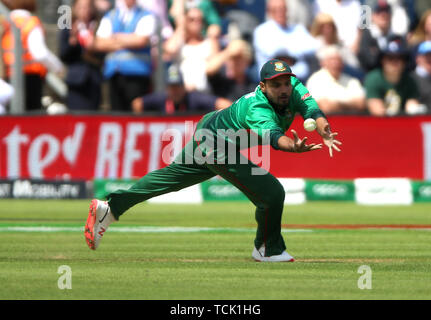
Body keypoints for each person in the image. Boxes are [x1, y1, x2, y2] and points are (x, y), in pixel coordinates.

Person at [84, 58, 342, 262]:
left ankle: (111, 207)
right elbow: (274, 137)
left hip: (209, 126)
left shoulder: (293, 87)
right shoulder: (258, 108)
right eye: (276, 85)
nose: (284, 89)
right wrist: (293, 147)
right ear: (263, 87)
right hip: (217, 144)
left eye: (286, 82)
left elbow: (312, 109)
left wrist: (324, 129)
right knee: (272, 193)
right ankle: (268, 249)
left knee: (171, 178)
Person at [1, 0, 64, 111]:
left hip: (9, 76)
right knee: (30, 120)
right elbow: (40, 53)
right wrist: (58, 67)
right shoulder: (30, 22)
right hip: (30, 79)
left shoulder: (6, 22)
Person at [93, 0, 156, 111]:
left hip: (137, 76)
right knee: (117, 114)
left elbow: (140, 40)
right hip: (114, 75)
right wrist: (128, 40)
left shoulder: (146, 15)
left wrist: (114, 37)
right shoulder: (111, 15)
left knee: (136, 114)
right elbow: (99, 43)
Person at [253, 0, 318, 82]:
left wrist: (288, 49)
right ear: (269, 11)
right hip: (272, 81)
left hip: (299, 79)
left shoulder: (298, 29)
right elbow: (272, 52)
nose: (280, 12)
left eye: (282, 9)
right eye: (275, 9)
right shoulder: (262, 31)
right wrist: (296, 47)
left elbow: (314, 47)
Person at [131, 64, 232, 114]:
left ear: (184, 87)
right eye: (172, 87)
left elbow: (225, 105)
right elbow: (137, 103)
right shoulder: (161, 98)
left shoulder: (193, 98)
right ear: (167, 88)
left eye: (178, 86)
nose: (175, 91)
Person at [59, 0, 104, 111]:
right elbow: (63, 54)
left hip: (94, 79)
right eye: (81, 7)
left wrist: (94, 47)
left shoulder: (99, 26)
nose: (85, 11)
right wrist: (73, 43)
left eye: (88, 7)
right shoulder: (68, 27)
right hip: (76, 80)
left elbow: (103, 53)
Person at [163, 6, 220, 92]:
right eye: (191, 19)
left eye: (199, 20)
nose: (196, 23)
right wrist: (181, 26)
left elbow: (213, 68)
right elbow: (169, 49)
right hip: (181, 93)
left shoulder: (209, 42)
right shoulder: (179, 42)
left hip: (203, 93)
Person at [364, 36, 420, 116]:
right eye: (390, 58)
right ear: (382, 60)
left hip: (403, 124)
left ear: (404, 62)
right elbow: (376, 109)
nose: (395, 62)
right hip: (377, 125)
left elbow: (412, 106)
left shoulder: (410, 81)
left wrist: (412, 109)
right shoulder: (373, 78)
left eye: (399, 58)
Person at [306, 45, 366, 114]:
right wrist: (350, 104)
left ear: (343, 63)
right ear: (323, 63)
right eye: (332, 59)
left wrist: (337, 104)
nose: (335, 62)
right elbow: (325, 106)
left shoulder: (352, 81)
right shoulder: (315, 80)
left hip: (351, 121)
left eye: (338, 59)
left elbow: (361, 103)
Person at [357, 1, 394, 73]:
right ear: (373, 16)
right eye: (379, 12)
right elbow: (369, 61)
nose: (384, 15)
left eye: (387, 12)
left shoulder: (395, 35)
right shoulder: (367, 34)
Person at [411, 41, 431, 114]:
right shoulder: (410, 79)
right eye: (427, 55)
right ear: (417, 58)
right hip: (420, 121)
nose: (430, 58)